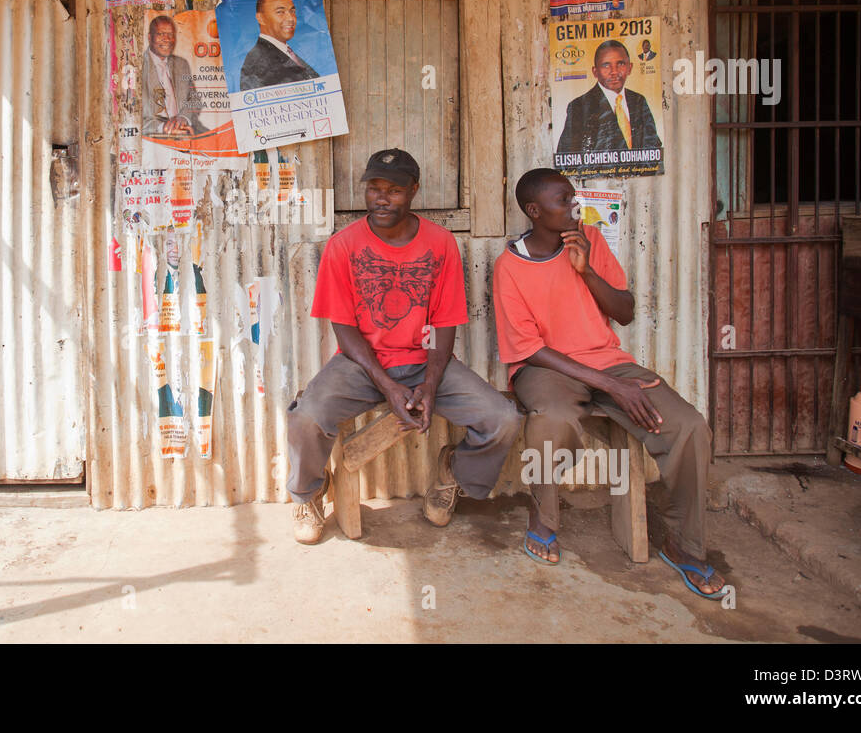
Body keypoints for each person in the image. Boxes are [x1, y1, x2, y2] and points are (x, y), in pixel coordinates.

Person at [492, 167, 728, 599]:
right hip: (547, 369)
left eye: (573, 198)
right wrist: (611, 386)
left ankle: (684, 544)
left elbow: (625, 311)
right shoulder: (509, 267)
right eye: (562, 201)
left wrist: (585, 272)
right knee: (553, 419)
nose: (574, 207)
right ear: (533, 210)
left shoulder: (591, 242)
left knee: (688, 425)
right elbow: (529, 349)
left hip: (608, 361)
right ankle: (543, 517)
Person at [287, 148, 522, 544]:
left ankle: (454, 474)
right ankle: (308, 493)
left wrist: (429, 386)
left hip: (426, 362)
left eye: (394, 190)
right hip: (360, 364)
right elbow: (345, 330)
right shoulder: (343, 246)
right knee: (307, 417)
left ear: (413, 191)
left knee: (503, 419)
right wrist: (388, 387)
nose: (382, 198)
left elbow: (445, 323)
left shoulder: (441, 244)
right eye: (374, 189)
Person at [555, 40, 662, 157]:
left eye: (620, 64)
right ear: (595, 72)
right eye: (606, 65)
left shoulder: (639, 101)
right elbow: (567, 158)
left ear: (629, 68)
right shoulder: (579, 106)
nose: (614, 72)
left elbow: (654, 149)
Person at [238, 0, 321, 90]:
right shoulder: (257, 62)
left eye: (292, 11)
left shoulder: (289, 51)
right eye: (280, 12)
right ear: (261, 18)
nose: (291, 18)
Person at [141, 16, 203, 136]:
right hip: (153, 136)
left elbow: (194, 99)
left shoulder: (181, 64)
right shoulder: (138, 68)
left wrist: (183, 117)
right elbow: (131, 117)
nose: (167, 39)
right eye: (161, 34)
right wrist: (163, 127)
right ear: (149, 37)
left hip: (186, 130)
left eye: (170, 35)